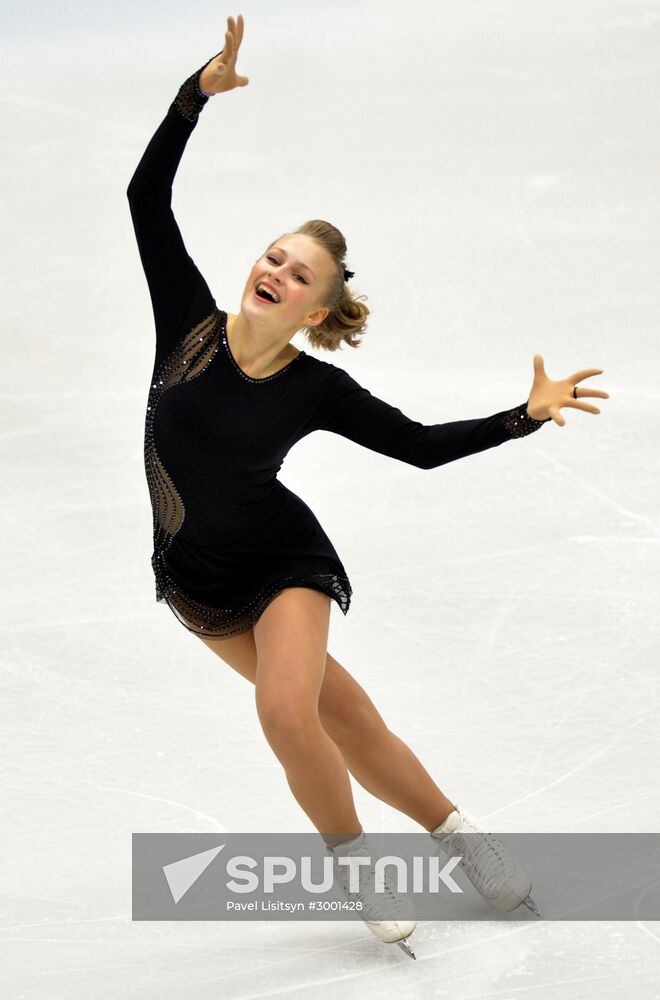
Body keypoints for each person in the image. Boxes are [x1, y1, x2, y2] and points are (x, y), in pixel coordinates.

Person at [126, 14, 609, 958]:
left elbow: (421, 447)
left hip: (281, 562)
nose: (276, 270)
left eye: (298, 272)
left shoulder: (315, 387)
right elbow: (146, 195)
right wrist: (195, 95)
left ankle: (353, 863)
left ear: (317, 306)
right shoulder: (187, 320)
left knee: (284, 709)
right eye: (274, 254)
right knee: (345, 721)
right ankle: (461, 836)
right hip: (195, 576)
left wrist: (526, 412)